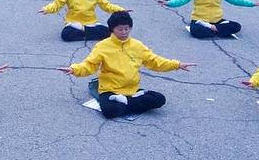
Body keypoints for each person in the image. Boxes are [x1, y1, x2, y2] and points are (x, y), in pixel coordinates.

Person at [59, 12, 195, 119]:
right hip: (110, 90)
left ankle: (127, 101)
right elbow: (90, 65)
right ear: (112, 30)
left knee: (159, 99)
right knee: (110, 111)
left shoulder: (137, 45)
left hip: (132, 89)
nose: (124, 32)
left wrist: (177, 64)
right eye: (120, 29)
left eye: (127, 29)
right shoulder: (102, 46)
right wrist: (74, 69)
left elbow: (155, 61)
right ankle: (130, 101)